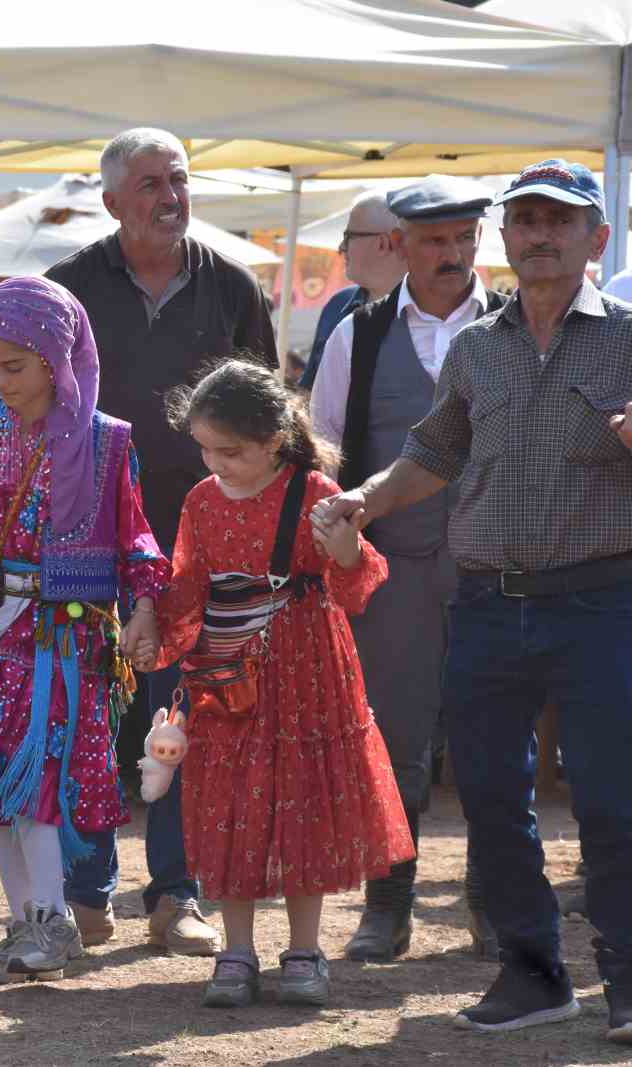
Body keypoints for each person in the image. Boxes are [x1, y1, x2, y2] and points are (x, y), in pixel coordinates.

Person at [314, 160, 632, 1044]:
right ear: (508, 236)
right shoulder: (477, 349)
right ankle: (532, 973)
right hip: (490, 602)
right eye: (524, 220)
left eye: (558, 222)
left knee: (612, 797)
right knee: (490, 794)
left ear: (595, 241)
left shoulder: (631, 339)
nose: (538, 235)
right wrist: (364, 501)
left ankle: (628, 979)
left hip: (603, 599)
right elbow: (430, 454)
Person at [45, 127, 276, 955]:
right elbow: (31, 415)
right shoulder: (64, 290)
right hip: (85, 539)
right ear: (111, 202)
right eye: (148, 184)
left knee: (180, 719)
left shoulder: (233, 289)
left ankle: (177, 893)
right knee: (84, 716)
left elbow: (267, 413)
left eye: (177, 180)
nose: (168, 197)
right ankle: (83, 890)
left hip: (201, 541)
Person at [0, 276, 166, 983]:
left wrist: (146, 604)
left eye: (15, 366)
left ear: (57, 355)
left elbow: (135, 538)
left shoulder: (106, 441)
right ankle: (30, 920)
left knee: (38, 780)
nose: (0, 381)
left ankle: (52, 922)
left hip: (69, 638)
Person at [152, 358, 413, 1008]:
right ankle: (236, 952)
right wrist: (148, 628)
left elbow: (355, 586)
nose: (215, 464)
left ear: (273, 438)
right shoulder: (201, 500)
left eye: (229, 450)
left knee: (304, 805)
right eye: (206, 449)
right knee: (228, 804)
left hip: (307, 673)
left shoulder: (318, 491)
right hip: (227, 676)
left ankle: (305, 949)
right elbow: (186, 582)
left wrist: (347, 548)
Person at [310, 175, 507, 962]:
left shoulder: (522, 327)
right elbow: (323, 443)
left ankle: (496, 900)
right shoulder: (355, 336)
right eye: (435, 240)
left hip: (498, 563)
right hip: (391, 572)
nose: (453, 254)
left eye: (466, 238)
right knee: (391, 740)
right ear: (398, 245)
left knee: (494, 735)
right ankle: (388, 900)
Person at [297, 189, 407, 391]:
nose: (341, 247)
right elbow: (308, 390)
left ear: (383, 243)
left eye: (348, 237)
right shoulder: (338, 304)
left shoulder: (426, 310)